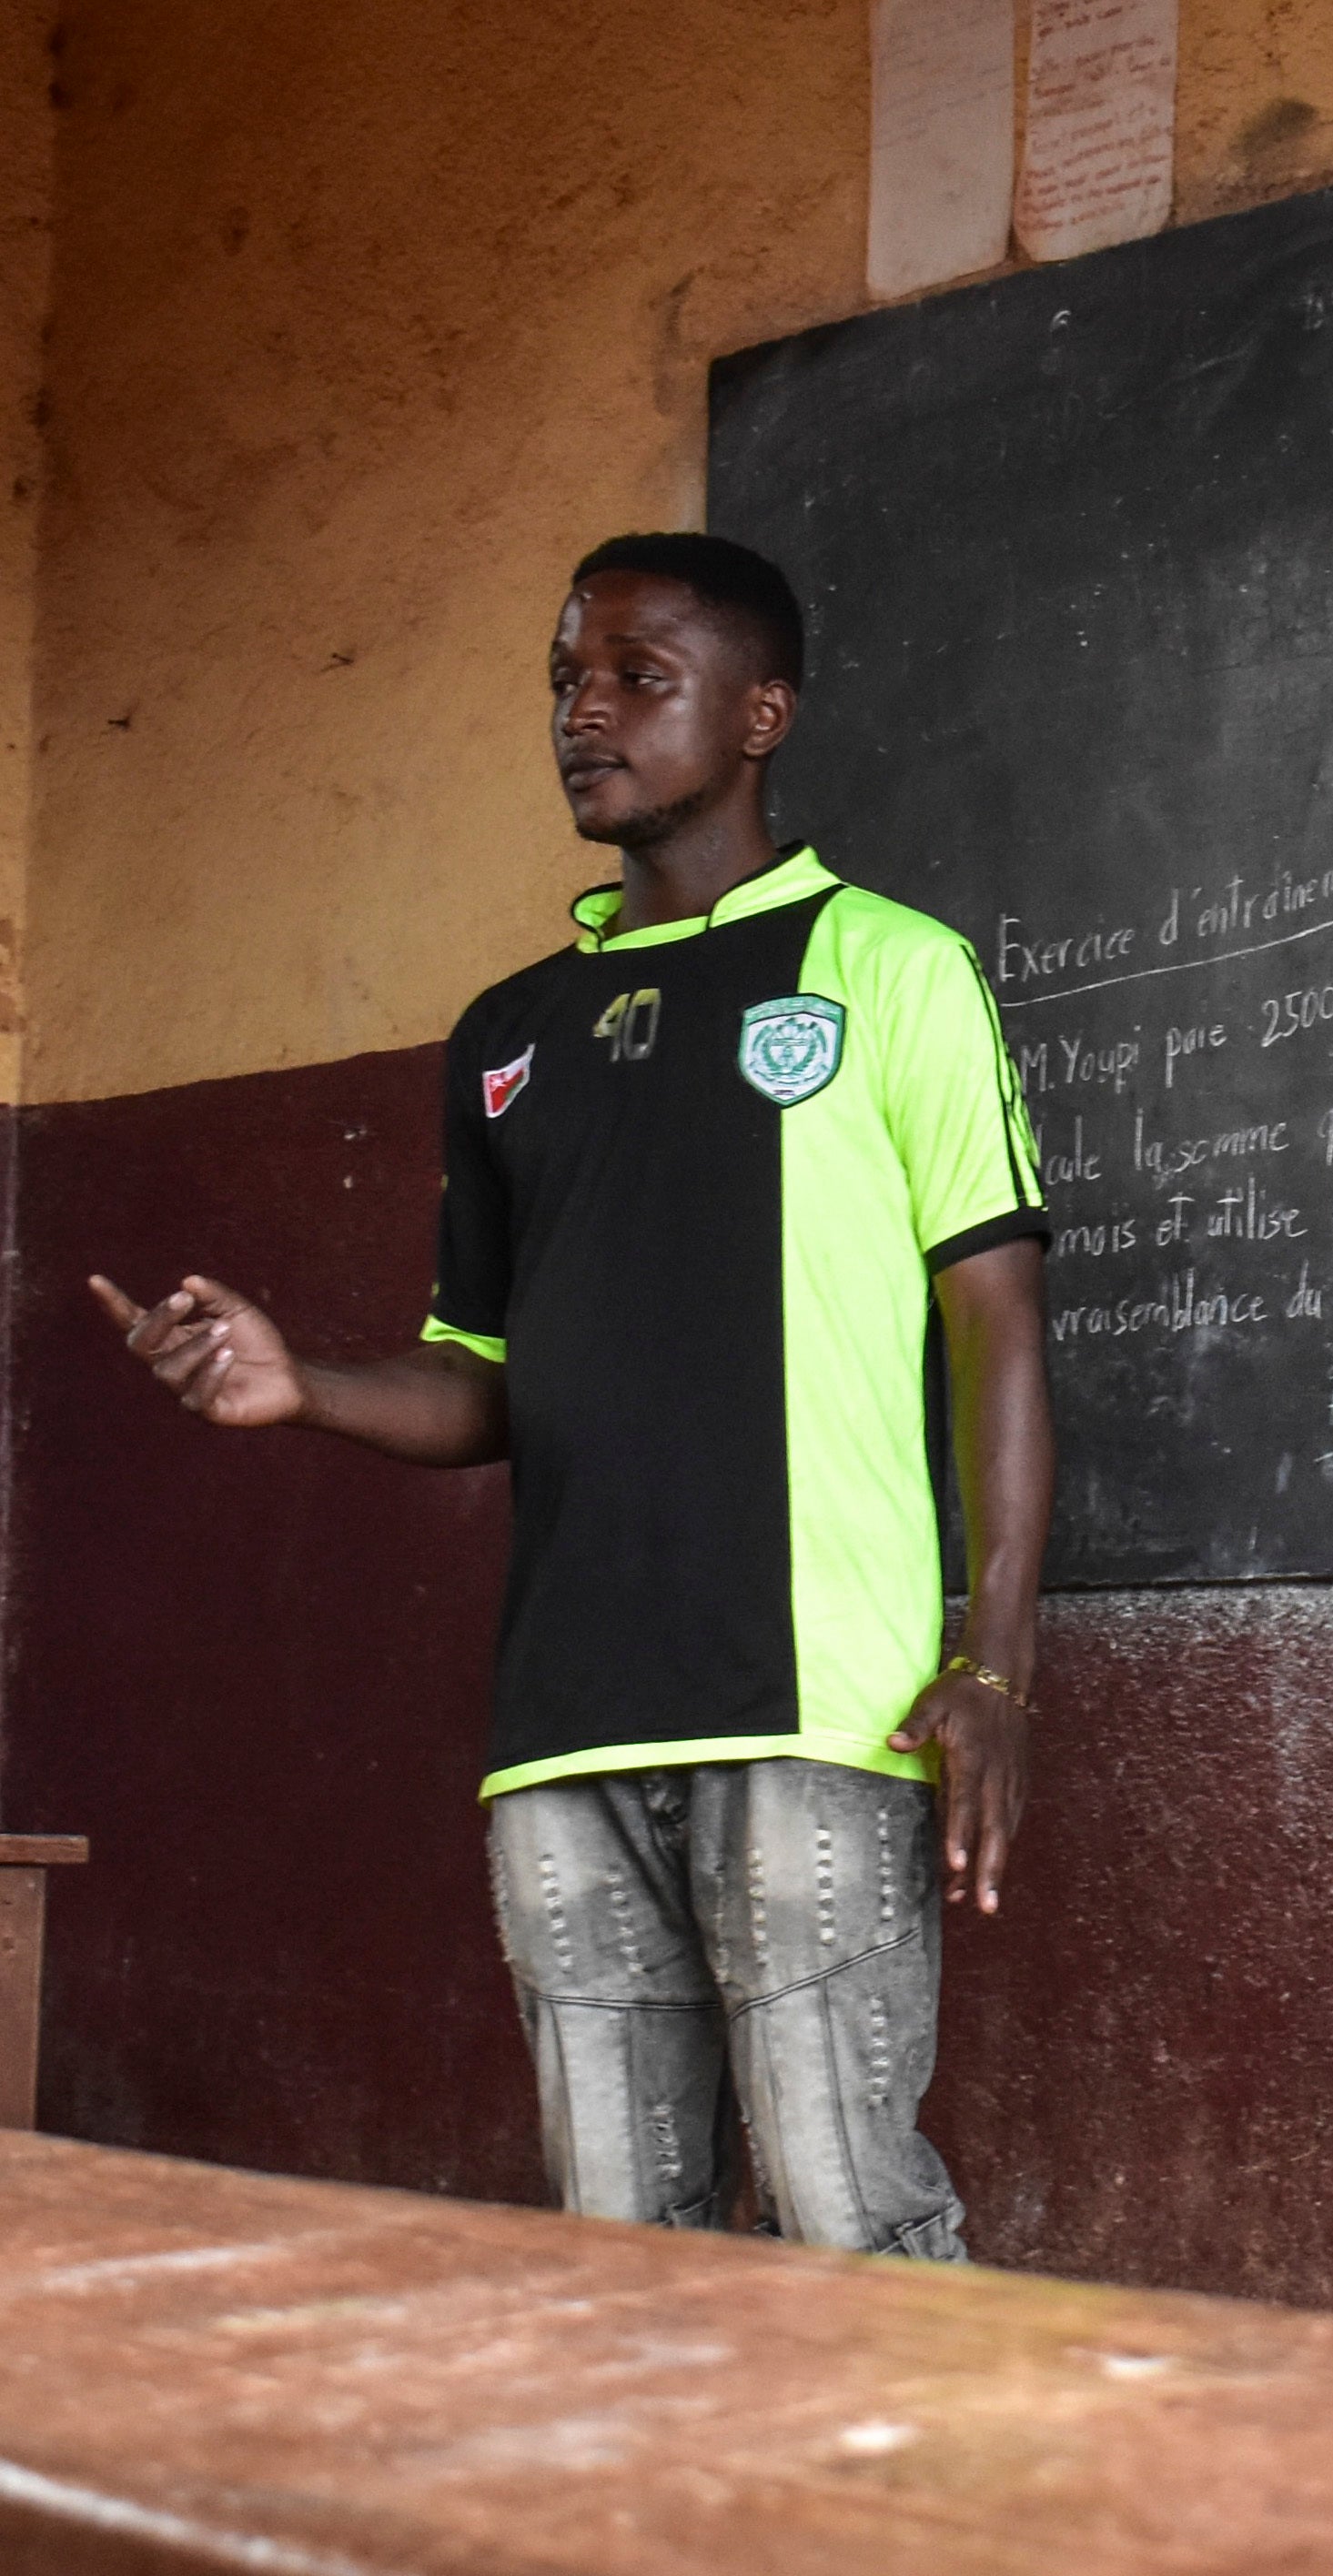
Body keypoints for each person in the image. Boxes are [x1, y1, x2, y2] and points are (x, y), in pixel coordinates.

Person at [91, 533, 1052, 2259]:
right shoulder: (507, 1035)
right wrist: (297, 1386)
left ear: (761, 715)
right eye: (562, 680)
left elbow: (1000, 1333)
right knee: (618, 2260)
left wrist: (992, 1659)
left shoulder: (892, 969)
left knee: (856, 2237)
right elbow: (482, 1387)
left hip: (817, 1712)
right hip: (565, 1735)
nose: (582, 714)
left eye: (634, 677)